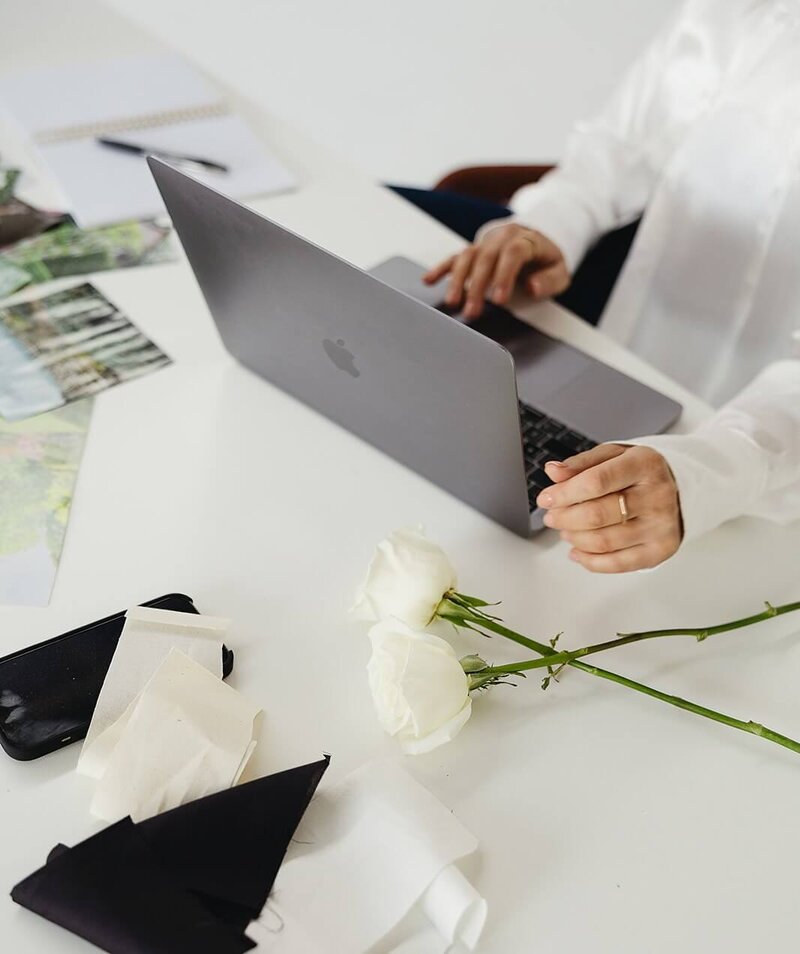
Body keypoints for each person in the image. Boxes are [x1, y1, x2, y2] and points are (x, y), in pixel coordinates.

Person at [418, 0, 800, 573]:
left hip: (767, 473)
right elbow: (619, 148)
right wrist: (547, 225)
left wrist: (709, 473)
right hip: (618, 360)